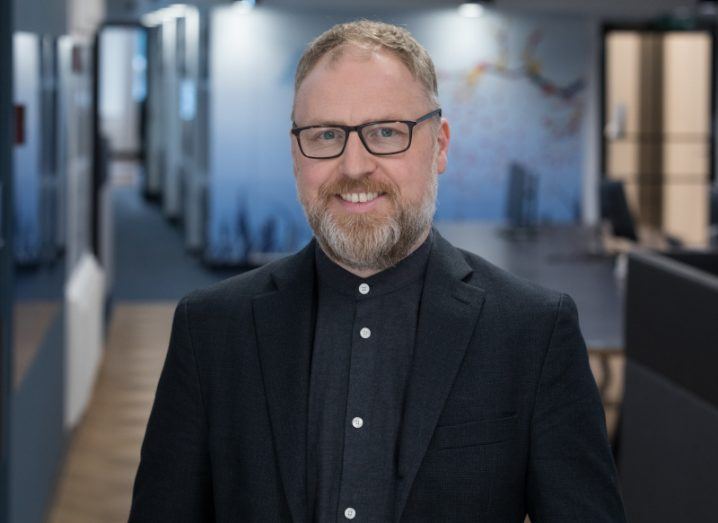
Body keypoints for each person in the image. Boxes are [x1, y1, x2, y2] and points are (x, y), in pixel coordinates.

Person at [129, 20, 627, 522]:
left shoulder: (533, 332)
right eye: (325, 135)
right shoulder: (211, 329)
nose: (354, 166)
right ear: (295, 153)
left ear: (441, 146)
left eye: (386, 132)